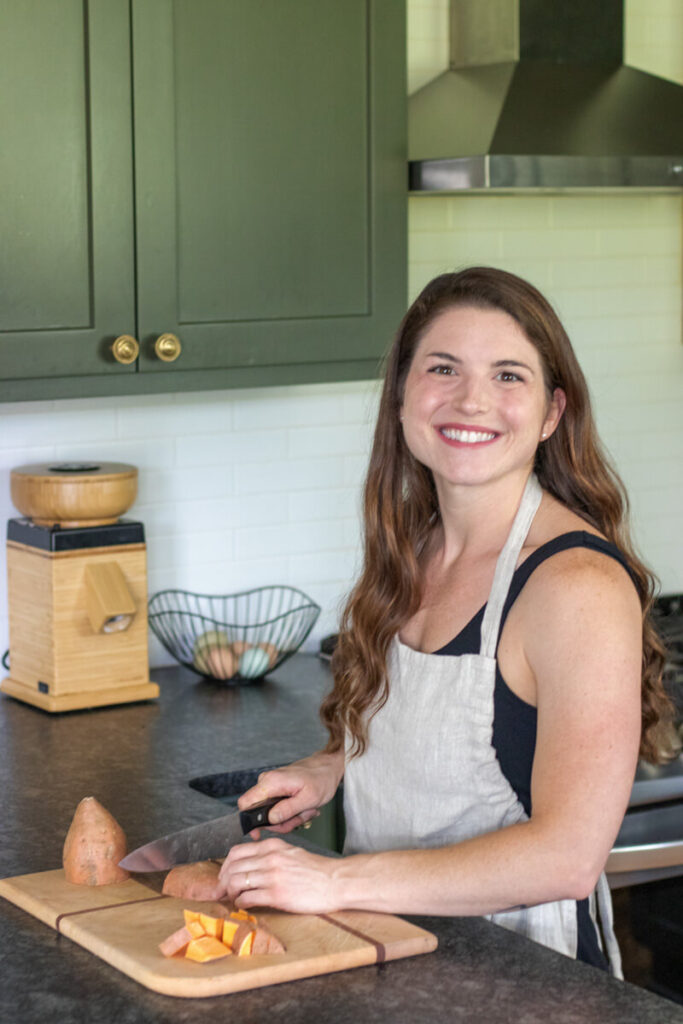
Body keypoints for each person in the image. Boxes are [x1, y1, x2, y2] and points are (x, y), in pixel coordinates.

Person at [218, 266, 674, 975]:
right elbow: (444, 733)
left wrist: (331, 881)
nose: (471, 400)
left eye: (507, 376)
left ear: (552, 413)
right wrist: (333, 765)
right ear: (402, 395)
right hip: (394, 954)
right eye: (443, 368)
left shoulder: (572, 584)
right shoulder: (414, 548)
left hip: (520, 980)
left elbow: (567, 858)